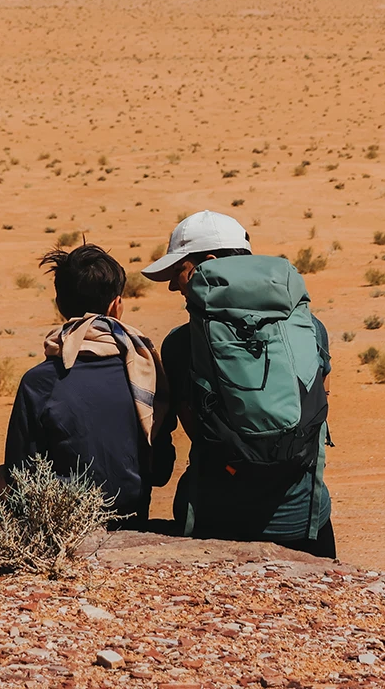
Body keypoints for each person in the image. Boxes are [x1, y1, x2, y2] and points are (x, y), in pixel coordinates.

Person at [143, 210, 336, 558]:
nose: (173, 285)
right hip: (304, 519)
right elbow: (316, 410)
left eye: (179, 271)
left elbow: (196, 429)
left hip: (217, 519)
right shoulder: (311, 329)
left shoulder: (179, 345)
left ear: (210, 265)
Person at [0, 243, 170, 523]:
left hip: (66, 525)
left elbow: (21, 471)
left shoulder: (39, 382)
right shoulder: (145, 369)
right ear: (116, 305)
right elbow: (161, 471)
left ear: (60, 306)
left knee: (0, 477)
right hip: (131, 517)